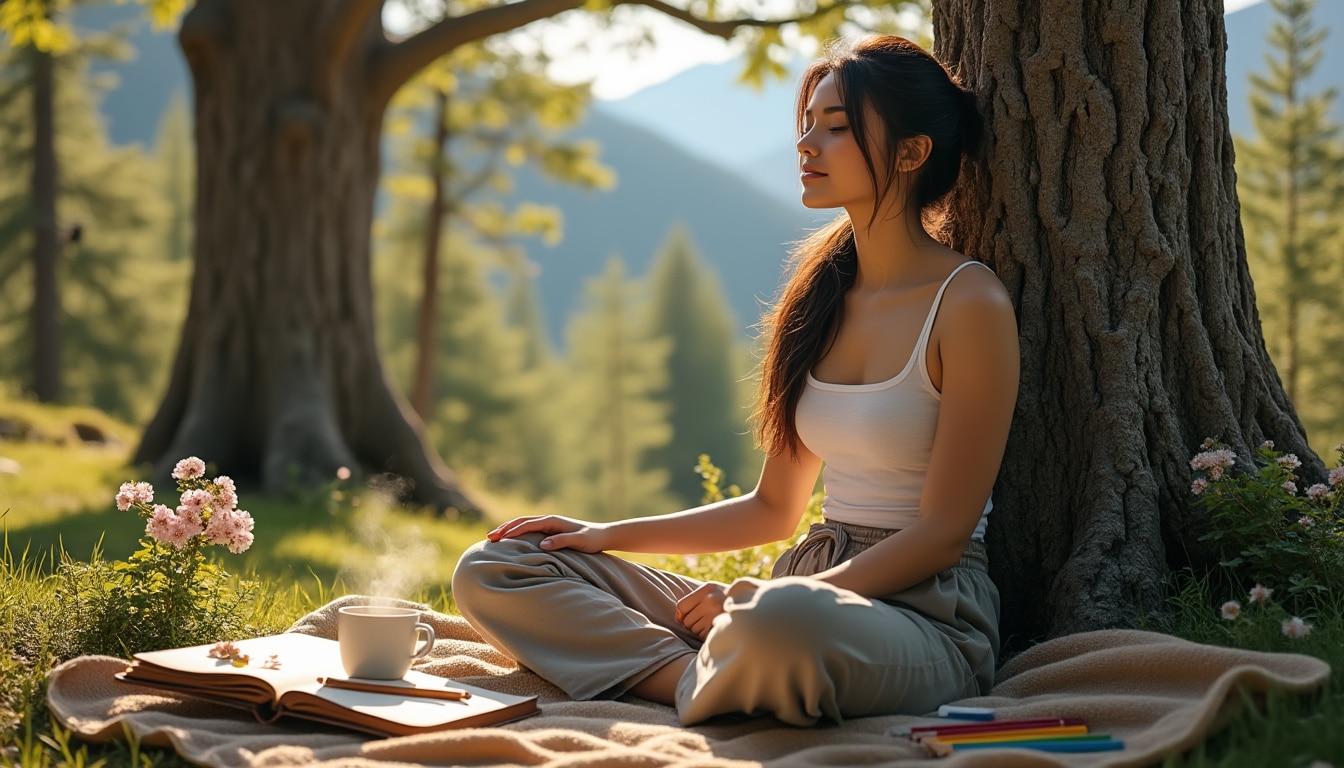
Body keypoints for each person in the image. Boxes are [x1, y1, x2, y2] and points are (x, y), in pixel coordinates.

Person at [451, 34, 1020, 727]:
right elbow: (773, 509)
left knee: (779, 622)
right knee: (499, 566)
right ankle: (702, 676)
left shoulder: (969, 304)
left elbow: (943, 534)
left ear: (911, 152)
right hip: (804, 584)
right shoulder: (821, 297)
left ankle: (704, 670)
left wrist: (755, 604)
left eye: (836, 128)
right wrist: (604, 534)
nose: (807, 144)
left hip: (926, 616)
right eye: (807, 123)